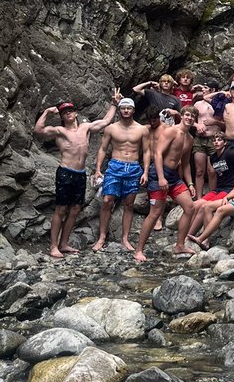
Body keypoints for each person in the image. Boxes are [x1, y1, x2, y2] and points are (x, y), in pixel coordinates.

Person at [34, 93, 120, 258]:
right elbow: (38, 130)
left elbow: (105, 122)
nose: (68, 113)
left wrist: (114, 104)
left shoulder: (85, 128)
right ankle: (53, 246)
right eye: (64, 112)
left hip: (80, 174)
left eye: (70, 110)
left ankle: (64, 243)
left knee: (75, 209)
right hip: (65, 172)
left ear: (76, 113)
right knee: (61, 209)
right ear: (61, 116)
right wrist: (46, 112)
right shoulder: (59, 131)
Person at [134, 106, 197, 261]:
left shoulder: (190, 139)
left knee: (190, 207)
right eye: (187, 115)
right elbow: (158, 153)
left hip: (174, 177)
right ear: (182, 116)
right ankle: (139, 250)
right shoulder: (171, 131)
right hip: (159, 173)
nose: (189, 118)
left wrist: (190, 184)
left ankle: (179, 245)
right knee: (155, 213)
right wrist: (161, 177)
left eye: (193, 116)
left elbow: (186, 164)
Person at [92, 98, 151, 252]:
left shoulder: (142, 129)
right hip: (115, 166)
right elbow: (103, 149)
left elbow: (146, 151)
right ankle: (102, 237)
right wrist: (98, 169)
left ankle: (125, 238)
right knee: (107, 201)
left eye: (129, 108)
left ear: (133, 110)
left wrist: (145, 171)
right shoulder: (111, 128)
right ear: (119, 110)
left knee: (129, 204)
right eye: (123, 108)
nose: (126, 110)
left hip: (133, 167)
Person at [190, 142, 234, 249]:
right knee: (207, 206)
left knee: (220, 210)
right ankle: (204, 239)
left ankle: (202, 238)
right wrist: (227, 197)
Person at [185, 133, 234, 245]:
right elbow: (215, 176)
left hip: (230, 189)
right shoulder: (212, 158)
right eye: (214, 140)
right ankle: (187, 235)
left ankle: (203, 238)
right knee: (196, 205)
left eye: (219, 140)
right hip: (219, 188)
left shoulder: (231, 153)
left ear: (225, 142)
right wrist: (212, 191)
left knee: (205, 207)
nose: (216, 142)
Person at [191, 84, 223, 198]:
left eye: (205, 88)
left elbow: (226, 124)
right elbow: (189, 119)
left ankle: (212, 196)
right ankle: (199, 198)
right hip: (199, 139)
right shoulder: (198, 104)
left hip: (214, 139)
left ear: (213, 90)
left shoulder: (220, 104)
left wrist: (215, 122)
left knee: (212, 171)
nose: (203, 90)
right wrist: (197, 125)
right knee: (199, 171)